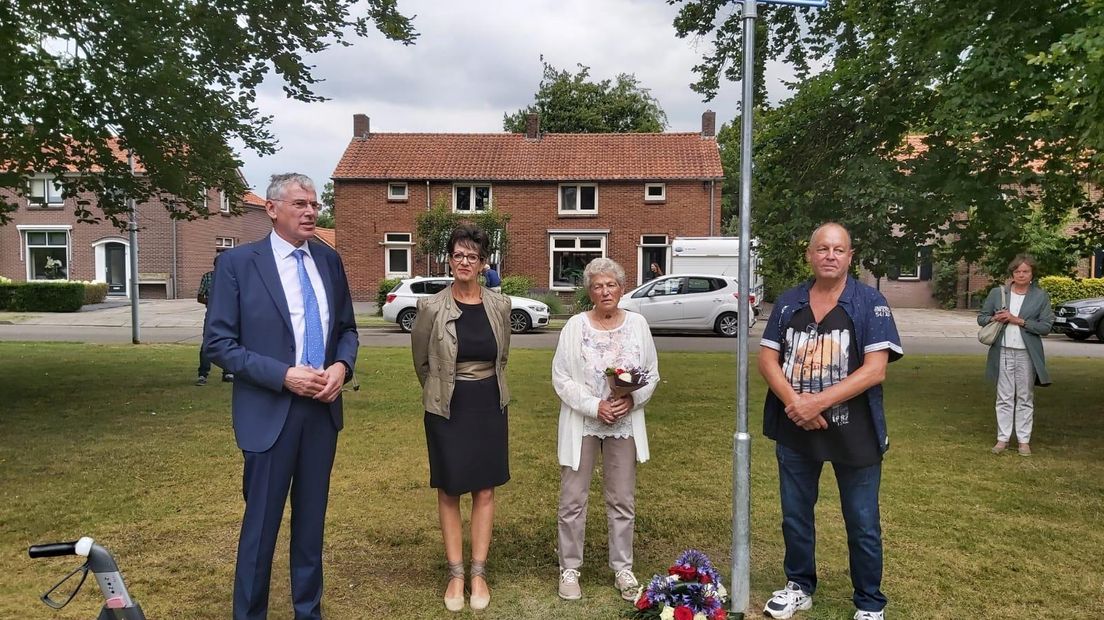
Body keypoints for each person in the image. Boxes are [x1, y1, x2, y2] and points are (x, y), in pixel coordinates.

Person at [204, 173, 359, 620]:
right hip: (269, 414)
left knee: (310, 526)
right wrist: (283, 375)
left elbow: (347, 329)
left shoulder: (329, 262)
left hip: (321, 415)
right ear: (272, 209)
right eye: (300, 204)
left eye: (314, 204)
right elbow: (218, 344)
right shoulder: (237, 265)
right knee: (260, 529)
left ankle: (307, 611)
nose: (311, 211)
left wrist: (341, 367)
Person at [758, 223, 902, 620]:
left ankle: (870, 603)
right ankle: (799, 586)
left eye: (839, 250)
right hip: (794, 428)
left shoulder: (870, 303)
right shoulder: (789, 303)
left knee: (862, 520)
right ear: (809, 254)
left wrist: (816, 402)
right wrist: (796, 404)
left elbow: (875, 370)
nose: (830, 256)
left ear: (850, 256)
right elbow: (768, 359)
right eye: (822, 248)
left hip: (854, 433)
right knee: (795, 514)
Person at [411, 224, 512, 612]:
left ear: (484, 263)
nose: (464, 262)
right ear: (449, 259)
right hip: (447, 407)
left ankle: (478, 572)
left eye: (472, 256)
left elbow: (501, 358)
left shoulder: (500, 306)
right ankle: (455, 574)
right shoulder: (431, 308)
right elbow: (422, 362)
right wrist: (441, 387)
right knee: (450, 488)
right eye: (458, 255)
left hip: (489, 403)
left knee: (485, 489)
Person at [552, 257, 660, 603]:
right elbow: (561, 378)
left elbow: (650, 373)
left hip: (623, 423)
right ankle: (569, 567)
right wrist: (593, 405)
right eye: (598, 286)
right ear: (589, 292)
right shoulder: (575, 326)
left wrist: (632, 401)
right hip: (583, 422)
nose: (605, 291)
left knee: (622, 498)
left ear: (621, 288)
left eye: (610, 285)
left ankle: (622, 567)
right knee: (572, 499)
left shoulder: (638, 325)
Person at [977, 254, 1053, 457]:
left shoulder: (1040, 296)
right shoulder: (998, 293)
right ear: (1012, 273)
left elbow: (1046, 326)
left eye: (1025, 271)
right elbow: (981, 318)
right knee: (1004, 396)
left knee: (1025, 396)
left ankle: (1023, 440)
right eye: (1017, 271)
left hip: (1027, 353)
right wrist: (995, 317)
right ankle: (1002, 439)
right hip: (1002, 350)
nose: (1021, 275)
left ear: (1032, 274)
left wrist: (1017, 320)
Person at [196, 254, 232, 385]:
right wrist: (212, 302)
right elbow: (199, 297)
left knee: (230, 341)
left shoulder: (232, 277)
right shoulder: (207, 277)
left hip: (230, 314)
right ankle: (203, 374)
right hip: (212, 314)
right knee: (208, 343)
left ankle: (228, 372)